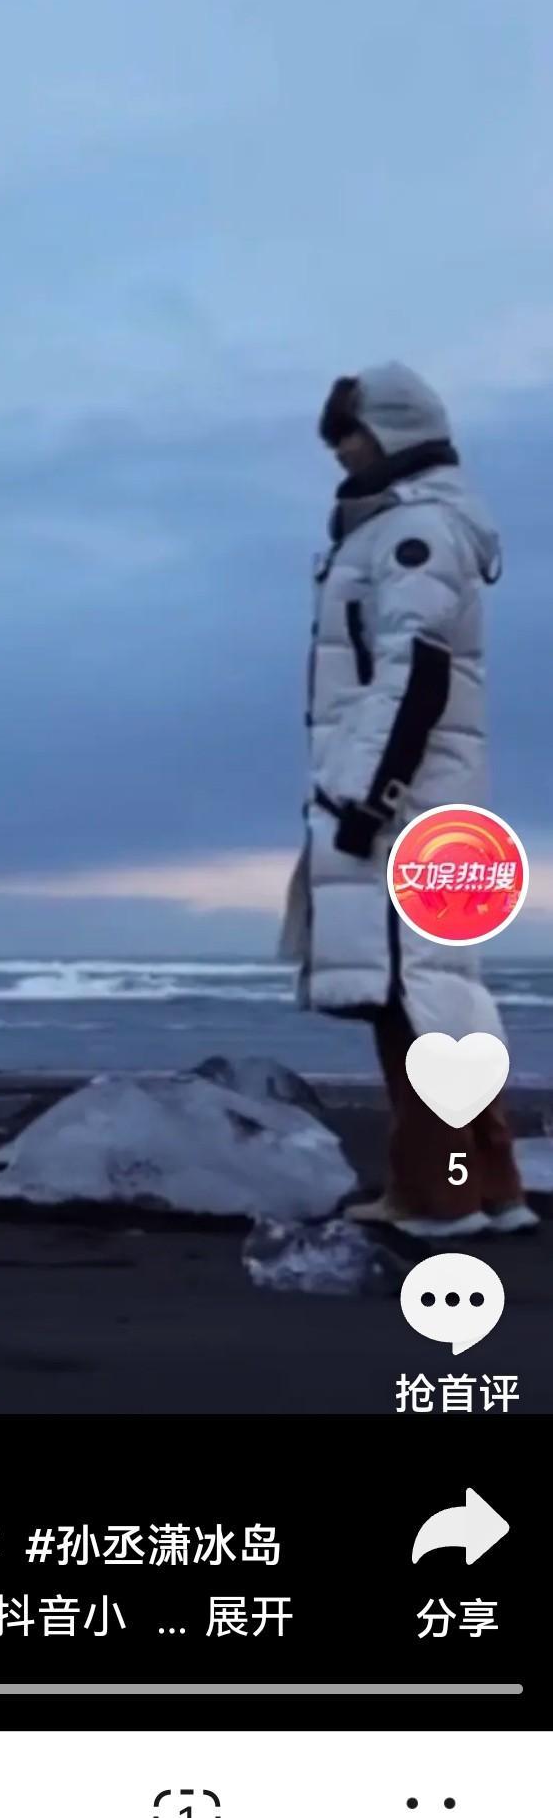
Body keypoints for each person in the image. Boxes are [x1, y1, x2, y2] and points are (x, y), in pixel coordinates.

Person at [280, 362, 535, 1239]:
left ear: (392, 429)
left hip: (399, 801)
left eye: (349, 434)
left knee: (408, 995)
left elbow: (415, 672)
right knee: (442, 989)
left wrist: (366, 797)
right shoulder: (419, 525)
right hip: (427, 794)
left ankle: (434, 1197)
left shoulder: (410, 531)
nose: (340, 452)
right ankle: (490, 1186)